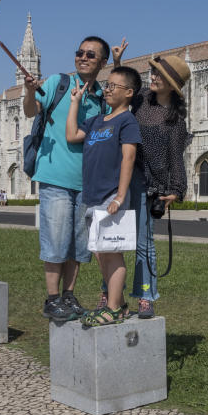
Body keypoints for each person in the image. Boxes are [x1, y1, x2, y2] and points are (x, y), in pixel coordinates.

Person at [101, 47, 191, 320]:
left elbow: (176, 156)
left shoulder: (175, 120)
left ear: (171, 85)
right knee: (109, 240)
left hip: (149, 183)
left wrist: (176, 189)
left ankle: (145, 296)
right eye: (154, 72)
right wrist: (117, 62)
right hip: (121, 175)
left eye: (159, 75)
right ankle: (108, 293)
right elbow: (121, 91)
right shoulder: (139, 99)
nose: (153, 77)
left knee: (144, 243)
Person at [24, 35, 109, 322]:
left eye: (90, 55)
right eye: (80, 52)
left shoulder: (101, 98)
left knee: (77, 244)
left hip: (86, 181)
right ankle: (52, 299)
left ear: (102, 63)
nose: (83, 57)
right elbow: (29, 110)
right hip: (55, 176)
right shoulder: (56, 84)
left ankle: (69, 296)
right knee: (56, 240)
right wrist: (28, 91)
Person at [65, 65, 142, 326]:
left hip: (111, 196)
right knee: (100, 254)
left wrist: (120, 197)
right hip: (91, 197)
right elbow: (72, 134)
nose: (107, 89)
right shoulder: (97, 120)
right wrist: (75, 102)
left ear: (129, 93)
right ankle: (117, 305)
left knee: (113, 253)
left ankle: (111, 307)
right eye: (107, 85)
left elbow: (128, 157)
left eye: (113, 86)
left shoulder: (127, 121)